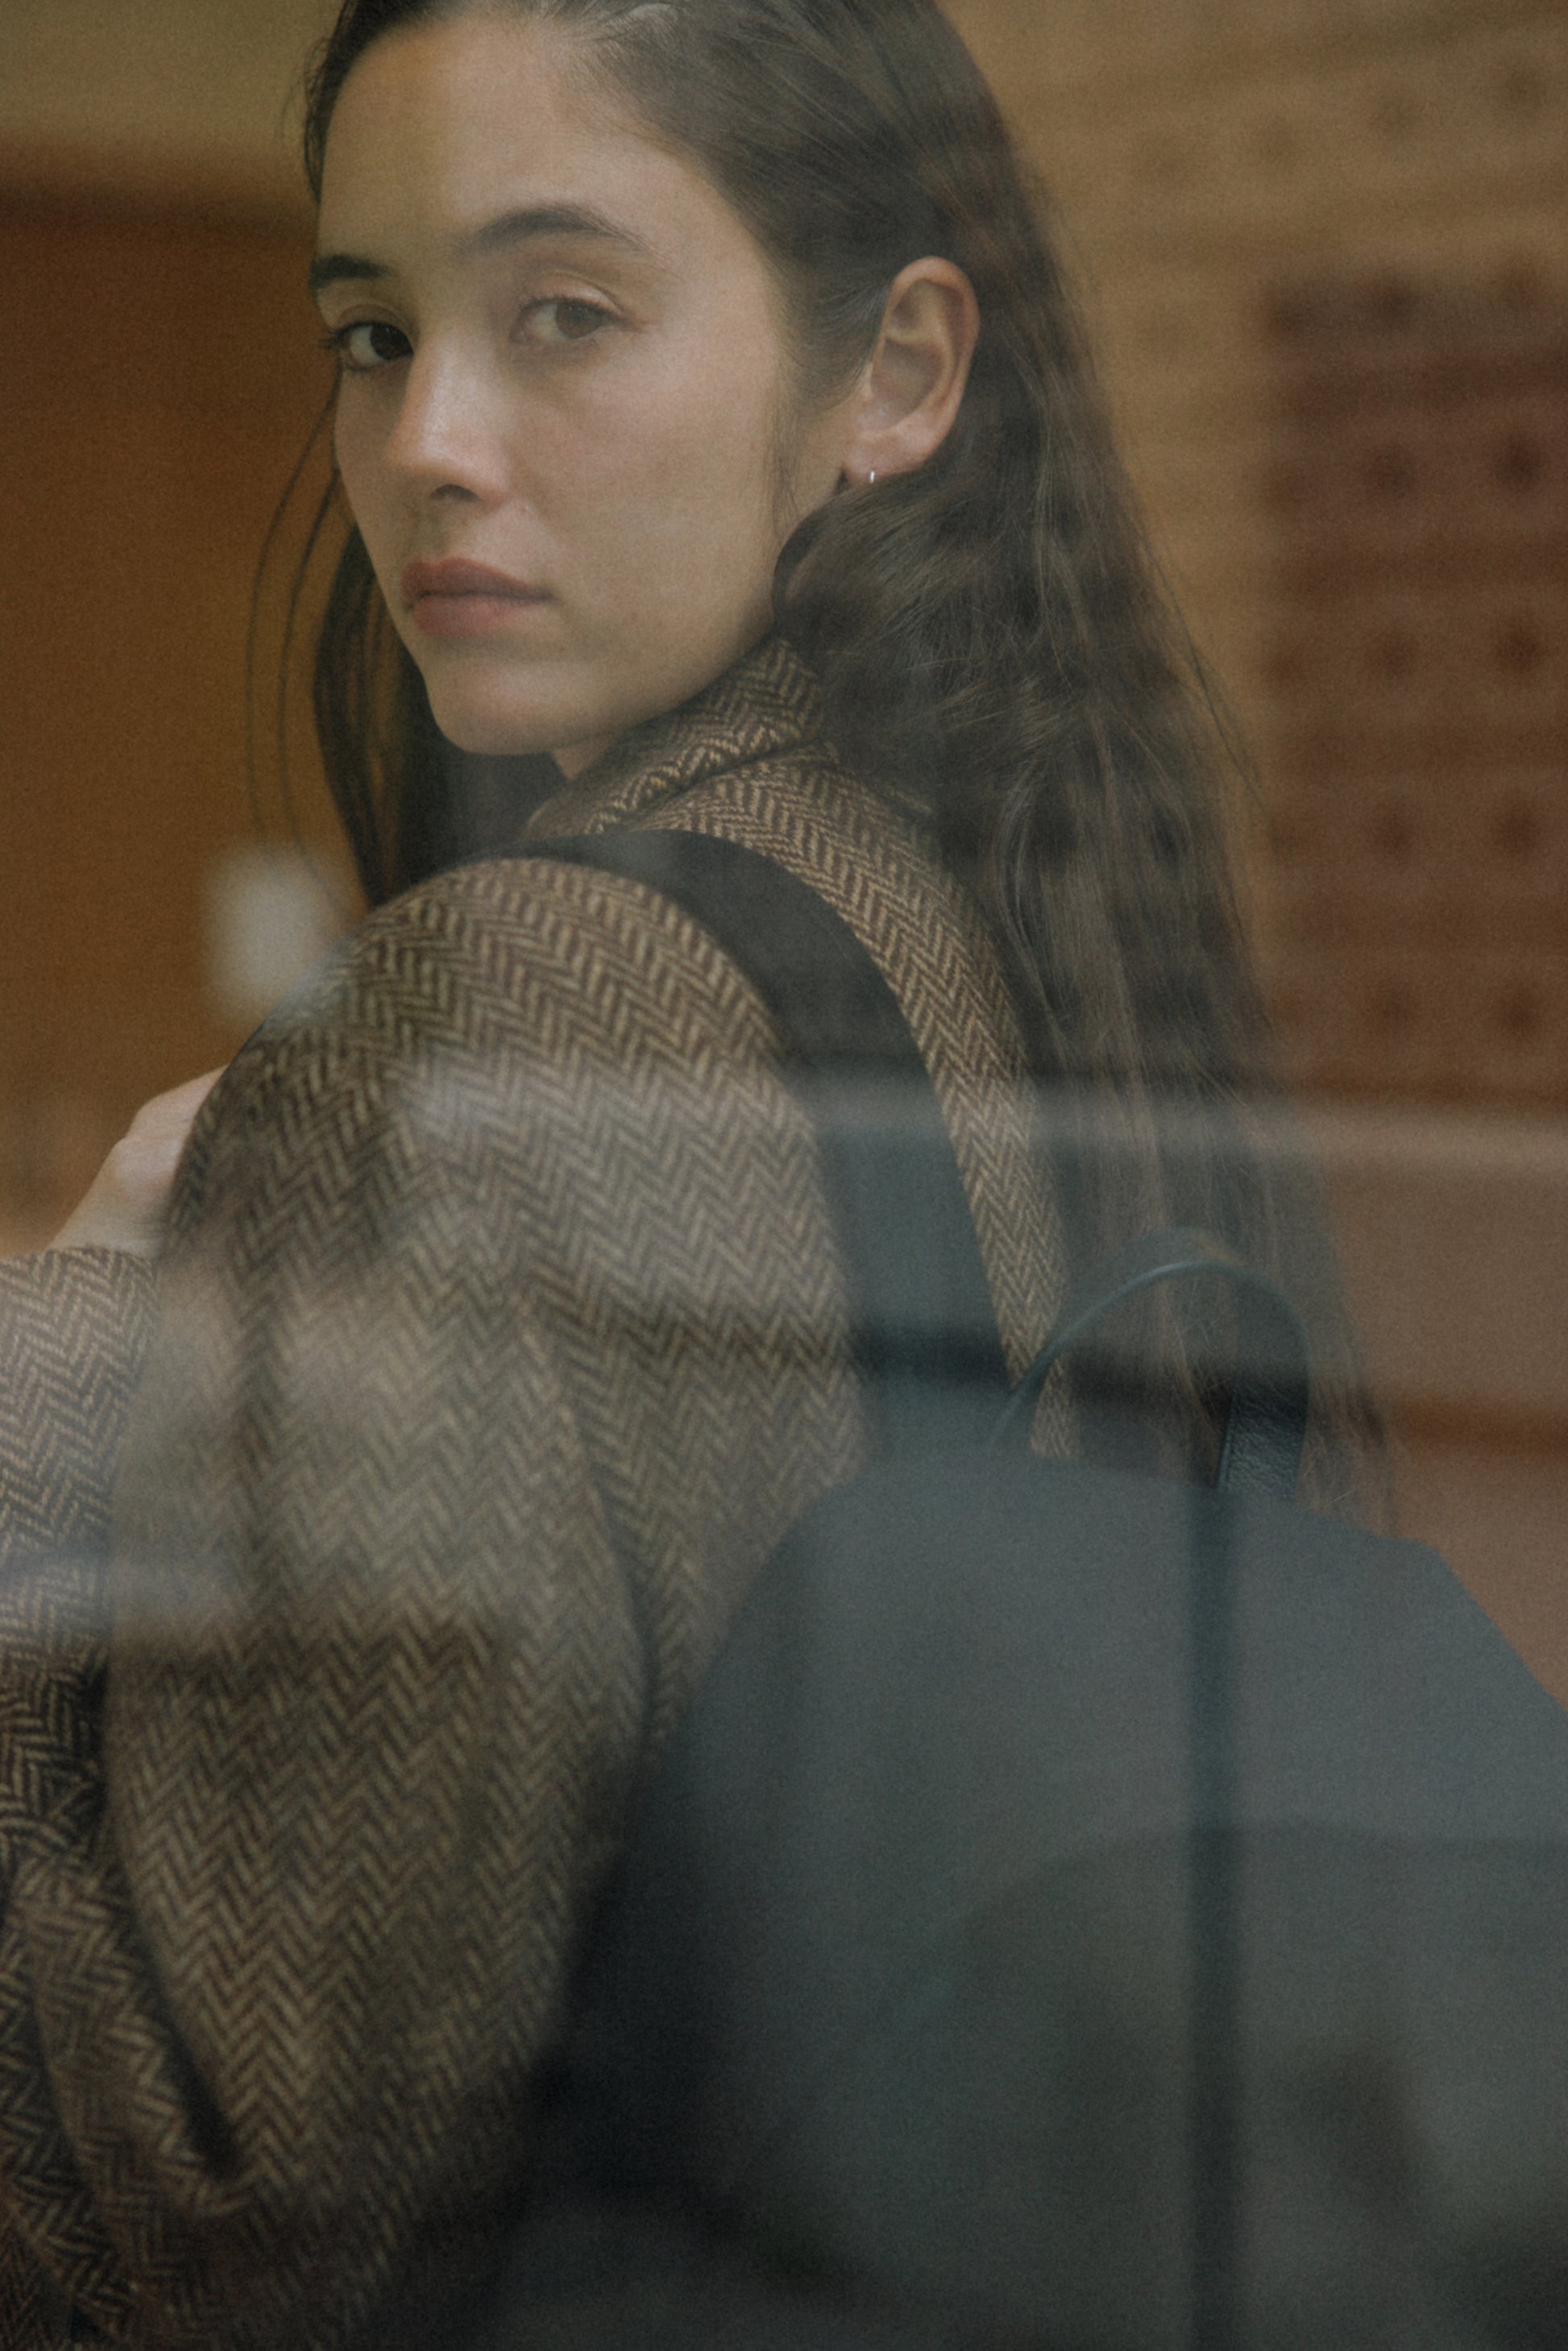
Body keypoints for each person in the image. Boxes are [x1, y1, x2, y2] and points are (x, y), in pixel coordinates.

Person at [0, 2, 1371, 2342]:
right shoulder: (1015, 926)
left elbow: (214, 2230)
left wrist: (79, 1342)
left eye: (564, 313)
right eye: (371, 333)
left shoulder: (499, 1021)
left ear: (891, 374)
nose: (426, 446)